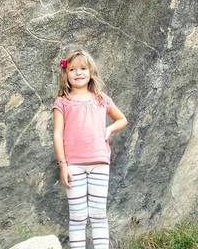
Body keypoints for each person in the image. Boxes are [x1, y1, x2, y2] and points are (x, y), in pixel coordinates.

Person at [52, 49, 127, 249]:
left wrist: (109, 129)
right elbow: (57, 134)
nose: (78, 73)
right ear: (65, 74)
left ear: (91, 72)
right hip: (73, 165)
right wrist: (62, 165)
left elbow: (122, 119)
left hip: (99, 163)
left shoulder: (101, 99)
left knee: (98, 213)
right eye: (73, 69)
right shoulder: (63, 102)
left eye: (83, 68)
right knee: (77, 215)